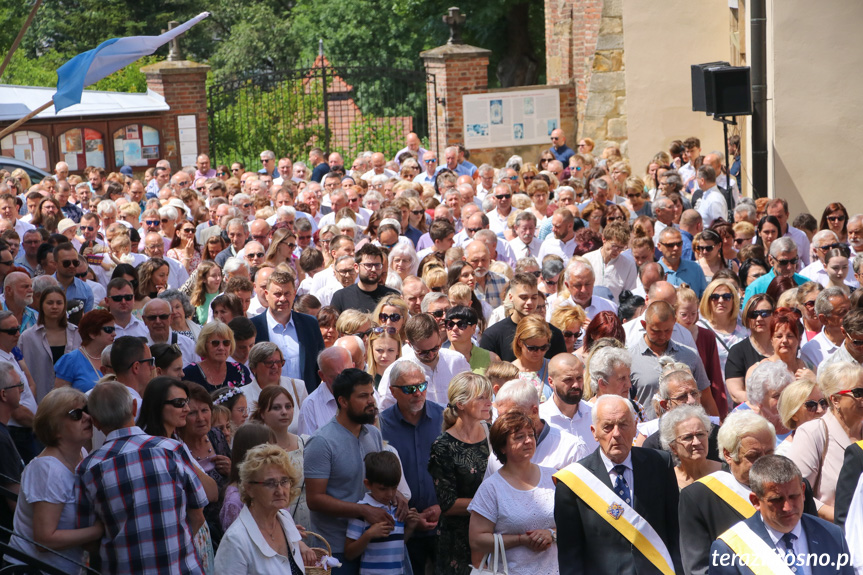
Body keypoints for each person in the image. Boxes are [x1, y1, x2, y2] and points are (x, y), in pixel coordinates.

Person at [76, 381, 208, 573]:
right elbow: (197, 514)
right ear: (134, 408)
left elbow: (88, 539)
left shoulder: (88, 469)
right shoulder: (171, 449)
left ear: (95, 421)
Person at [553, 394, 683, 575]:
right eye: (607, 427)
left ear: (635, 428)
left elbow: (675, 532)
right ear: (594, 432)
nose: (616, 434)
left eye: (623, 424)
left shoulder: (660, 464)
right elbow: (570, 556)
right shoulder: (573, 482)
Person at [305, 368, 397, 574]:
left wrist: (398, 498)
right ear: (343, 401)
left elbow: (377, 481)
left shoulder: (372, 434)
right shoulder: (321, 442)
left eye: (371, 394)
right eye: (363, 396)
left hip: (372, 544)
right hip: (335, 550)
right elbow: (315, 499)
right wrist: (363, 510)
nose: (371, 401)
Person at [5, 388, 102, 571]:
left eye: (87, 410)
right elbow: (44, 539)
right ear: (54, 427)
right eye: (76, 414)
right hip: (32, 569)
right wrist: (98, 530)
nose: (87, 417)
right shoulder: (48, 470)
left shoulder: (81, 453)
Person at [708, 455, 853, 575]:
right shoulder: (730, 548)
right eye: (777, 500)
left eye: (793, 496)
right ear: (756, 501)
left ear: (803, 492)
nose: (787, 507)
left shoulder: (832, 535)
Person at [468, 411, 559, 575]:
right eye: (519, 437)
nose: (528, 441)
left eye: (531, 435)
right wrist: (520, 540)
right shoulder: (491, 487)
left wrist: (551, 534)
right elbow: (477, 540)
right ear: (502, 447)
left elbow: (573, 523)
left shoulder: (553, 477)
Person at [379, 361, 445, 574]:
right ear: (393, 392)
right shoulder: (380, 426)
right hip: (401, 526)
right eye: (409, 389)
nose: (417, 393)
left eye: (421, 386)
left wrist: (441, 507)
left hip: (443, 524)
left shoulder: (443, 419)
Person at [428, 372, 493, 575]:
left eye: (489, 396)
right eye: (481, 397)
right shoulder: (443, 445)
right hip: (458, 541)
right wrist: (493, 504)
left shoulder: (494, 433)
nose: (488, 402)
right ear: (461, 404)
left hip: (493, 536)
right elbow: (447, 504)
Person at [215, 444, 316, 574]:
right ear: (249, 489)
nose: (280, 491)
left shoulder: (284, 519)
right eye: (269, 483)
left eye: (284, 481)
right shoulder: (235, 540)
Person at [788, 361, 863, 522]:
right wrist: (844, 518)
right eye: (858, 392)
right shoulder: (812, 433)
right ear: (835, 400)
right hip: (832, 535)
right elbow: (798, 492)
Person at [628, 301, 717, 418]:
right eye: (656, 331)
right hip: (647, 432)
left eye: (668, 330)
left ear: (675, 323)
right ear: (644, 325)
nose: (662, 336)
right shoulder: (629, 359)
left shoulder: (690, 356)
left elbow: (706, 399)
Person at [489, 379, 587, 474]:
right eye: (500, 416)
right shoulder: (501, 448)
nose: (504, 422)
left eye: (512, 416)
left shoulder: (572, 449)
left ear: (534, 411)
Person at [344, 451, 420, 573]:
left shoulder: (397, 509)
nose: (389, 494)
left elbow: (397, 546)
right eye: (383, 489)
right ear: (368, 484)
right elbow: (349, 553)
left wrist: (410, 527)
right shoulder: (363, 511)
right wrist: (368, 535)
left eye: (394, 488)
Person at [251, 270, 326, 392]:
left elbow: (319, 364)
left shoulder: (310, 324)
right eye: (277, 294)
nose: (283, 299)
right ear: (266, 294)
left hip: (304, 400)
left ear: (294, 293)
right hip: (266, 401)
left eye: (287, 293)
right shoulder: (254, 327)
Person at [378, 313, 472, 409]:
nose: (431, 355)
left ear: (439, 337)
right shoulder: (395, 370)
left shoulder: (457, 361)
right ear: (409, 344)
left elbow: (472, 396)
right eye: (423, 352)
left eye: (435, 348)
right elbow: (385, 409)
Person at [177, 383, 232, 546]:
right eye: (193, 413)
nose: (201, 418)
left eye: (205, 410)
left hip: (227, 524)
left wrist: (231, 470)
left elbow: (236, 481)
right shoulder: (177, 446)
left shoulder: (216, 436)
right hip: (197, 531)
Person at [249, 386, 310, 533]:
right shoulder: (258, 450)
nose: (284, 412)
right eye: (276, 408)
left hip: (310, 518)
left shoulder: (306, 442)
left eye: (288, 406)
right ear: (263, 413)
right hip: (276, 520)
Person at [481, 272, 567, 362]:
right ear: (511, 297)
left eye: (534, 298)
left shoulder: (554, 333)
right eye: (524, 297)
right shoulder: (492, 335)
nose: (529, 302)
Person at [20, 286, 82, 402]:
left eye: (59, 303)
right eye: (50, 303)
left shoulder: (77, 333)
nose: (54, 307)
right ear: (41, 305)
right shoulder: (28, 337)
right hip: (39, 400)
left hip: (72, 401)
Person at [243, 342, 308, 434]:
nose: (275, 367)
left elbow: (307, 427)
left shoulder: (297, 387)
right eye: (269, 363)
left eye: (278, 362)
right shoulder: (242, 395)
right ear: (253, 368)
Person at [725, 293, 775, 405]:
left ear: (774, 315)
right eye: (753, 314)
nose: (759, 318)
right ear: (746, 319)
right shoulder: (737, 351)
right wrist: (766, 402)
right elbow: (735, 393)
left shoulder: (783, 347)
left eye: (765, 313)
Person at [659, 404, 722, 490]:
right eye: (688, 437)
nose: (697, 442)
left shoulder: (726, 473)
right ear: (673, 447)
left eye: (700, 434)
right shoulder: (668, 482)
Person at [53, 309, 115, 392]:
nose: (114, 334)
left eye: (114, 329)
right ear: (92, 333)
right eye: (108, 330)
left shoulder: (115, 357)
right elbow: (60, 398)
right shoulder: (70, 360)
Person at [184, 321, 253, 393]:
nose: (221, 348)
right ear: (204, 344)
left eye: (226, 343)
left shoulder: (241, 372)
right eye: (215, 343)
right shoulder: (189, 373)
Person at [330, 244, 399, 313]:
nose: (373, 269)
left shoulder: (392, 296)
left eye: (377, 265)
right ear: (356, 267)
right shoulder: (341, 297)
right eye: (368, 265)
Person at [776, 376, 828, 454]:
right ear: (794, 415)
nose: (820, 410)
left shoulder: (835, 439)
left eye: (823, 403)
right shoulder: (785, 453)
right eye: (811, 405)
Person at [511, 314, 554, 402]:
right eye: (532, 348)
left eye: (543, 348)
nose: (538, 352)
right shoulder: (507, 372)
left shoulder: (554, 368)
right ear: (519, 342)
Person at [443, 305, 495, 374]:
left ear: (473, 328)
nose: (454, 328)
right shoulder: (440, 359)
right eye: (450, 324)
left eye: (461, 324)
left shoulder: (491, 358)